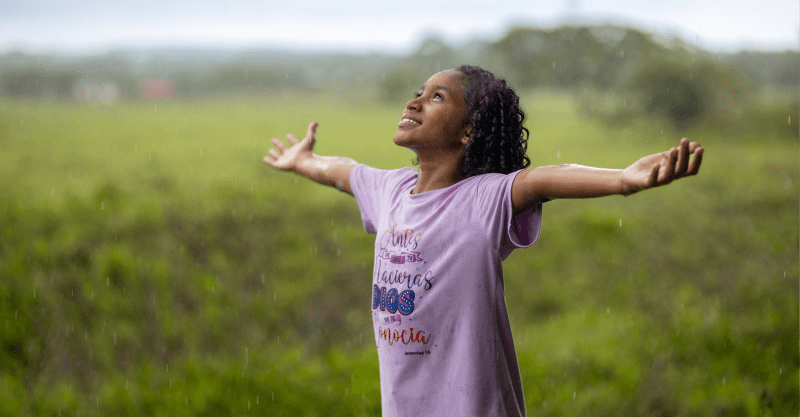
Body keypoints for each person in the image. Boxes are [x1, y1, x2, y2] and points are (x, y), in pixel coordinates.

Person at [263, 65, 703, 417]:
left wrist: (623, 179)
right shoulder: (390, 192)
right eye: (420, 90)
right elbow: (340, 171)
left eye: (437, 97)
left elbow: (545, 179)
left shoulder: (484, 198)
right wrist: (304, 160)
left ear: (468, 131)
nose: (414, 101)